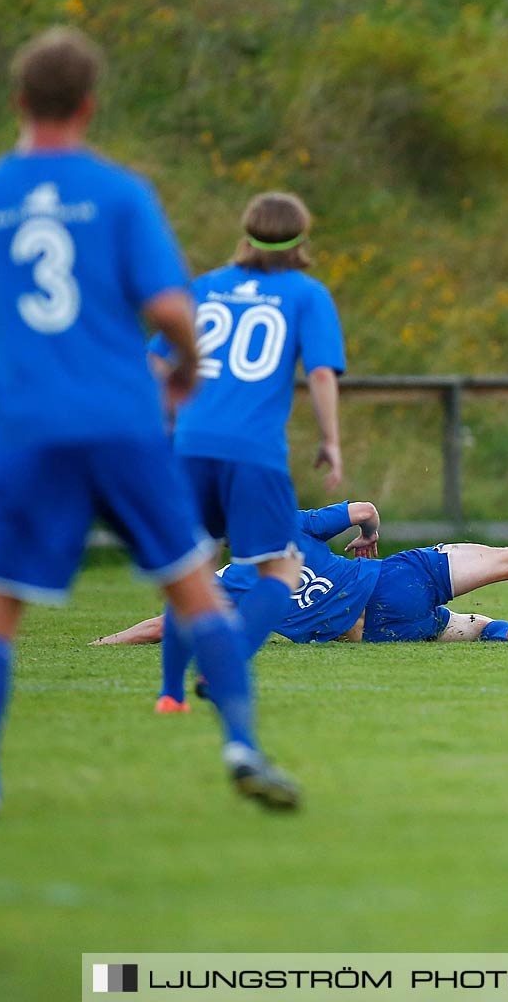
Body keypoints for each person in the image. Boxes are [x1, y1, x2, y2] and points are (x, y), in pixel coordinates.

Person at [0, 26, 298, 819]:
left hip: (29, 430)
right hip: (121, 424)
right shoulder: (119, 193)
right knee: (197, 589)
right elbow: (173, 312)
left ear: (18, 101)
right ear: (90, 104)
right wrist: (184, 378)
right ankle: (241, 743)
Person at [91, 502, 508, 681]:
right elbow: (365, 509)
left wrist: (105, 642)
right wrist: (369, 538)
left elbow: (165, 626)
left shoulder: (226, 586)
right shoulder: (291, 522)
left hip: (371, 633)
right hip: (392, 579)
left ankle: (492, 632)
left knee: (452, 627)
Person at [149, 191, 345, 715]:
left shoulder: (206, 287)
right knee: (280, 569)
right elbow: (322, 372)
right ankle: (226, 663)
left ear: (246, 230)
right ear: (302, 238)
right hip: (254, 454)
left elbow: (155, 363)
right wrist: (331, 441)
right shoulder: (306, 293)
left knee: (193, 572)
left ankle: (170, 694)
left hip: (189, 447)